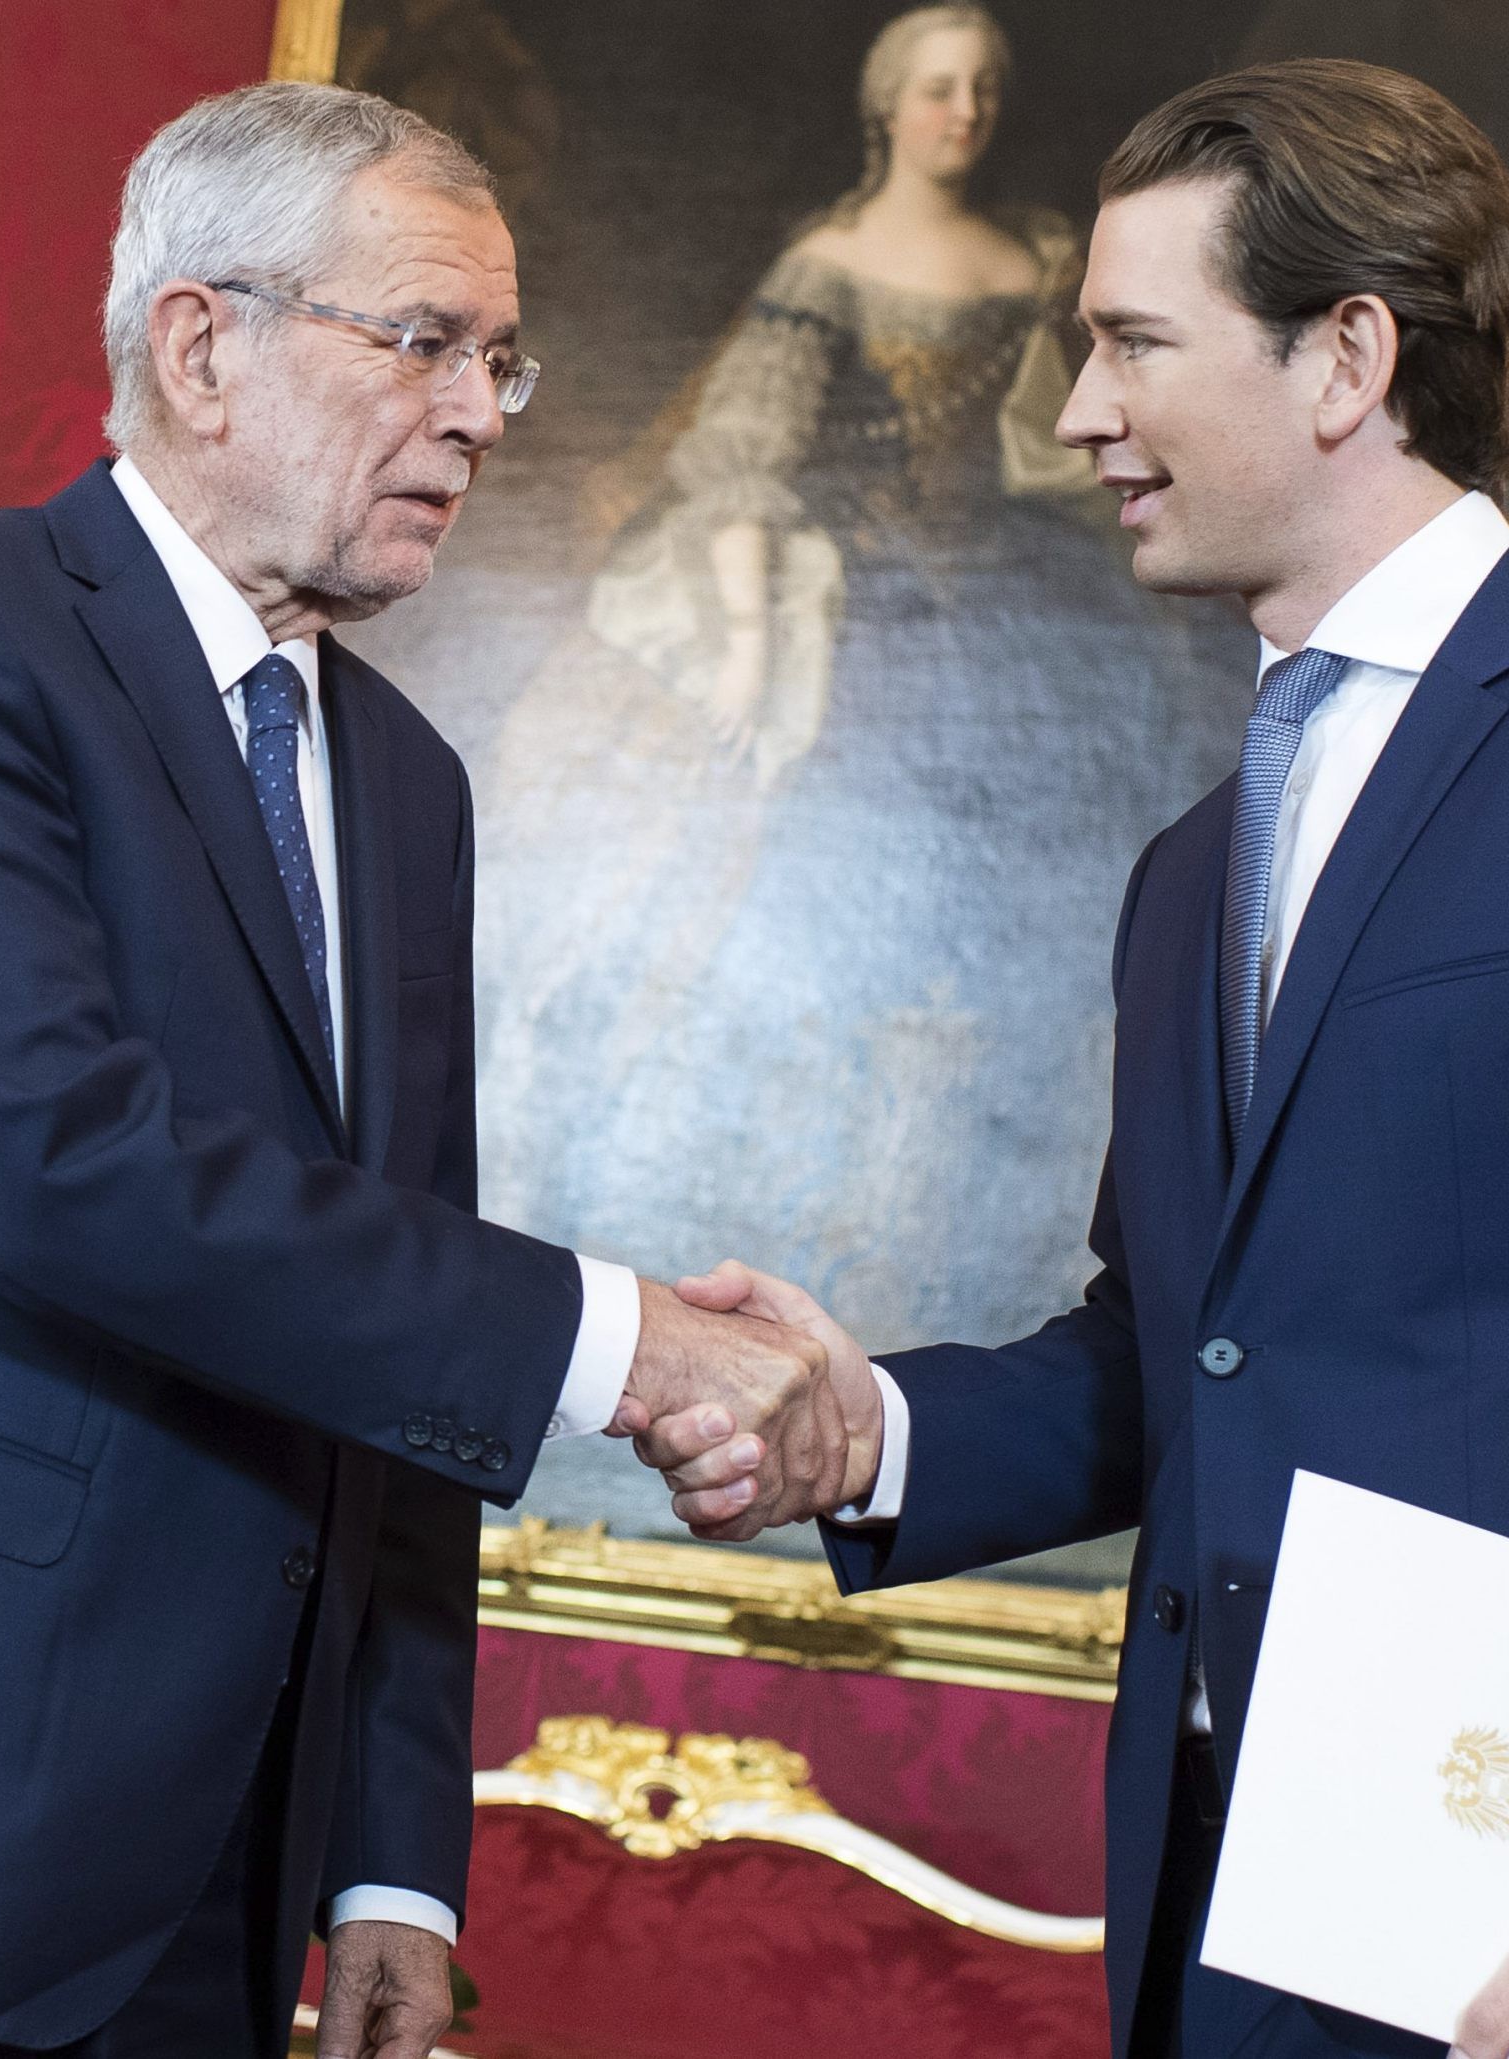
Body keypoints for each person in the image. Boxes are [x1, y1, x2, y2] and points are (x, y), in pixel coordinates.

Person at [632, 57, 1509, 2059]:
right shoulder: (1195, 867)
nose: (1080, 411)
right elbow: (1181, 1348)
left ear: (1345, 356)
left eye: (1126, 344)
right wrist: (869, 1433)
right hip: (1219, 1915)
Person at [0, 83, 844, 2059]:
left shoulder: (408, 783)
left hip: (227, 1875)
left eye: (501, 357)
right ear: (200, 346)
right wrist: (629, 1348)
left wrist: (387, 1856)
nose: (486, 410)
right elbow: (50, 1153)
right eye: (426, 341)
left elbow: (390, 1308)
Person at [474, 3, 1241, 1350]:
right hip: (863, 628)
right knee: (775, 918)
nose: (966, 113)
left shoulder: (1042, 259)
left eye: (985, 89)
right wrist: (757, 640)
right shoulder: (829, 265)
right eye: (940, 88)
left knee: (1024, 950)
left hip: (1016, 630)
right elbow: (743, 461)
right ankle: (764, 1247)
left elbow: (1071, 440)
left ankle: (959, 1261)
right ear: (888, 105)